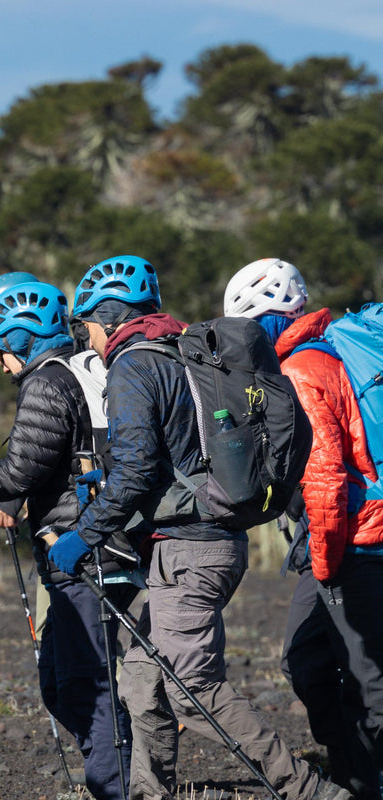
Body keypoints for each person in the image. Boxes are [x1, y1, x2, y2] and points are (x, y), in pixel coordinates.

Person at [49, 254, 349, 800]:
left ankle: (312, 792)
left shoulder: (134, 366)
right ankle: (147, 791)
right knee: (142, 678)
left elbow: (137, 468)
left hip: (188, 551)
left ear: (110, 318)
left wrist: (83, 534)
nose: (84, 337)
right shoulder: (184, 351)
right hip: (205, 543)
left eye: (85, 323)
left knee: (192, 688)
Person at [0, 273, 138, 800]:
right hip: (106, 545)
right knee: (62, 682)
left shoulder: (47, 381)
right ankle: (127, 769)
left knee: (83, 685)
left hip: (79, 552)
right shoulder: (85, 367)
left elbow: (16, 474)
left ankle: (118, 784)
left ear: (24, 334)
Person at [225, 257, 383, 800]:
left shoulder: (301, 370)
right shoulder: (331, 348)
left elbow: (325, 479)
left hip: (353, 542)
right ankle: (349, 772)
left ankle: (363, 783)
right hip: (349, 537)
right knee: (308, 659)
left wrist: (326, 563)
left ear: (270, 319)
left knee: (366, 681)